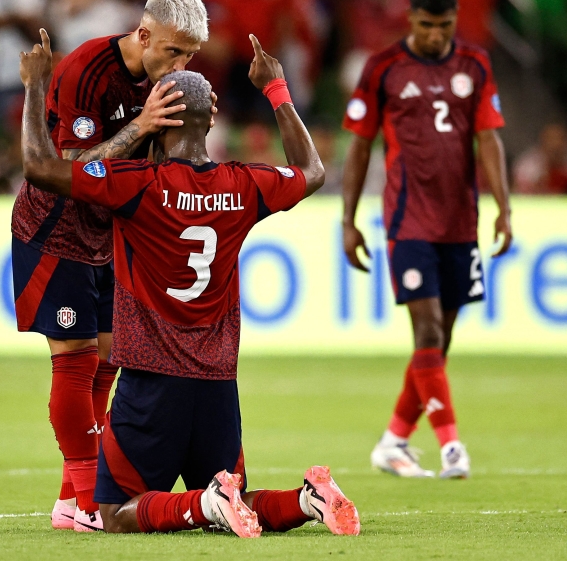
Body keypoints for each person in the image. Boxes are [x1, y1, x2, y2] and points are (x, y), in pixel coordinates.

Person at [19, 28, 359, 537]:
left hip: (151, 383)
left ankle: (202, 507)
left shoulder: (134, 186)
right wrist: (277, 91)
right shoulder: (244, 184)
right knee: (234, 497)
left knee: (114, 514)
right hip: (219, 383)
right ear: (212, 120)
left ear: (158, 122)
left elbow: (41, 169)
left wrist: (34, 86)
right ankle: (308, 500)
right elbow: (311, 171)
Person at [11, 0, 215, 532]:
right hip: (56, 230)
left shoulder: (164, 82)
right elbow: (73, 167)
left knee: (108, 362)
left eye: (190, 56)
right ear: (144, 34)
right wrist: (142, 126)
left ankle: (67, 501)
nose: (181, 64)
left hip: (111, 237)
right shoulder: (88, 70)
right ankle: (86, 499)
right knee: (75, 359)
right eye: (174, 52)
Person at [340, 0, 512, 479]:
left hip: (461, 222)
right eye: (428, 25)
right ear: (411, 19)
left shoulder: (475, 64)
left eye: (445, 26)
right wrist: (348, 221)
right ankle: (452, 447)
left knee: (438, 344)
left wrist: (504, 206)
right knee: (430, 330)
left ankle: (393, 440)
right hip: (406, 220)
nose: (437, 35)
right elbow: (358, 145)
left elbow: (489, 139)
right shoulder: (383, 68)